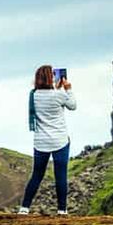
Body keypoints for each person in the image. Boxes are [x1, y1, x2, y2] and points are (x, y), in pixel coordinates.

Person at [18, 65, 77, 216]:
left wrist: (57, 90)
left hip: (41, 141)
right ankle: (62, 210)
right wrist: (68, 88)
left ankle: (24, 208)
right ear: (51, 78)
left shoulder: (34, 95)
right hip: (60, 141)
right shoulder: (59, 95)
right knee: (61, 176)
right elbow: (73, 106)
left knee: (36, 175)